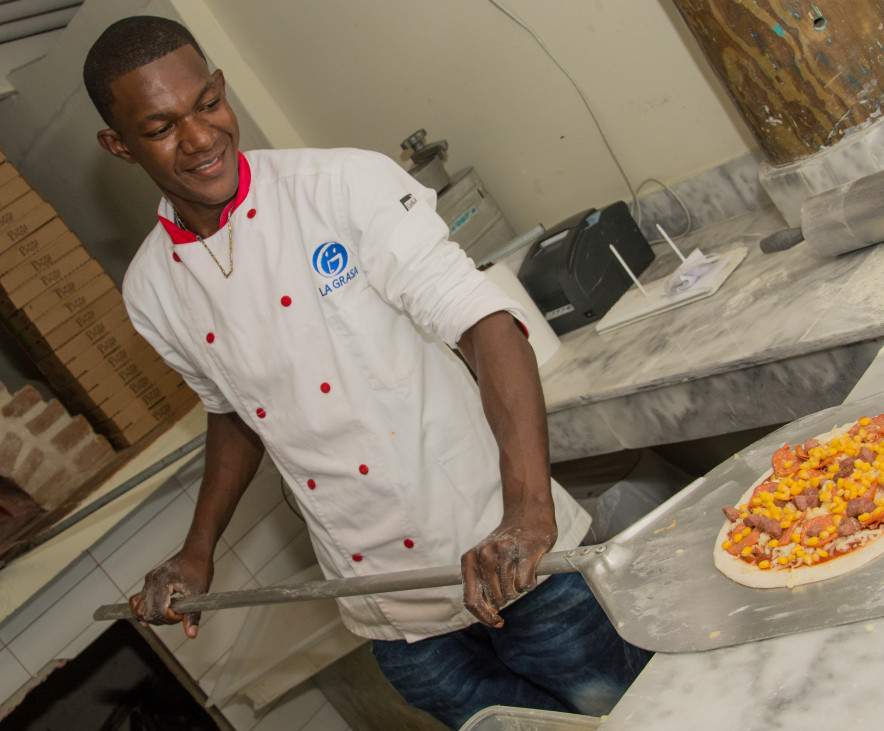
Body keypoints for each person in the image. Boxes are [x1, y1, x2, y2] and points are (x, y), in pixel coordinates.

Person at [83, 16, 650, 729]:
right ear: (119, 145)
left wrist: (529, 511)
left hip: (508, 551)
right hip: (389, 610)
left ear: (222, 88)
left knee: (635, 712)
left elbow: (486, 323)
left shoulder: (339, 185)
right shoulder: (149, 290)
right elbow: (232, 412)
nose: (199, 138)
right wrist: (198, 550)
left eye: (208, 104)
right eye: (162, 127)